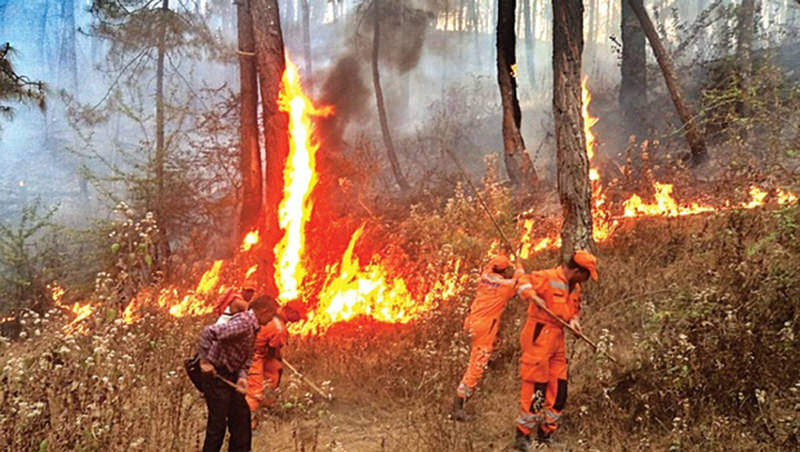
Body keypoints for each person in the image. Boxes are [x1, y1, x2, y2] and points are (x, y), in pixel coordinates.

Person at [512, 250, 598, 450]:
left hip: (557, 339)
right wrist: (532, 295)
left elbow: (574, 311)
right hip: (539, 335)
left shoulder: (575, 288)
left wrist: (574, 322)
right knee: (536, 388)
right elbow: (521, 280)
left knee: (559, 389)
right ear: (577, 270)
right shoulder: (547, 277)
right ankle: (522, 436)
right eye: (586, 275)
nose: (586, 280)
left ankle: (546, 434)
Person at [196, 295, 277, 452]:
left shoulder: (254, 327)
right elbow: (209, 332)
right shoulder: (244, 323)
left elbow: (247, 358)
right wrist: (204, 362)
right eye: (271, 316)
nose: (271, 320)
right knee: (217, 426)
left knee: (242, 420)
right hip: (217, 377)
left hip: (231, 376)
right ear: (264, 311)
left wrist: (242, 378)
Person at [453, 251, 524, 421]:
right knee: (476, 364)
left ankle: (461, 401)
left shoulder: (484, 276)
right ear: (504, 271)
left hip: (471, 321)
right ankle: (458, 406)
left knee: (476, 357)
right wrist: (520, 266)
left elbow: (492, 267)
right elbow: (519, 282)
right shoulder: (505, 287)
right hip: (485, 327)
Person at [245, 300, 306, 423]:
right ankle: (248, 420)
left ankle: (266, 405)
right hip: (254, 355)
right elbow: (272, 352)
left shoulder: (271, 317)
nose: (299, 319)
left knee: (274, 371)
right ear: (290, 311)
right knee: (255, 389)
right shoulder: (279, 329)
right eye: (298, 315)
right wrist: (278, 359)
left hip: (252, 351)